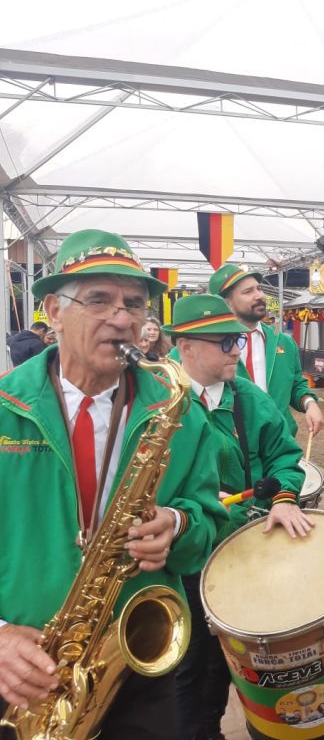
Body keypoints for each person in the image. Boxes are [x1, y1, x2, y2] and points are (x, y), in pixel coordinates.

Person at [0, 229, 226, 740]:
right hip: (20, 675)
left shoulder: (179, 410)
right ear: (54, 312)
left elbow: (211, 518)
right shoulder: (4, 409)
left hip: (136, 666)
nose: (123, 319)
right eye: (99, 300)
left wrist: (179, 523)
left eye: (135, 304)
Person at [165, 294, 312, 740]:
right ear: (185, 345)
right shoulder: (152, 400)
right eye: (226, 342)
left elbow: (287, 459)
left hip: (241, 553)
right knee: (183, 670)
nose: (237, 351)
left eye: (239, 341)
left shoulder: (249, 398)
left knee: (233, 663)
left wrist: (285, 498)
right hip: (181, 561)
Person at [207, 264, 323, 438]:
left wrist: (310, 403)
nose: (259, 296)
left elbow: (296, 385)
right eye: (248, 292)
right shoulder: (207, 345)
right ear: (226, 303)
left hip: (278, 442)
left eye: (259, 289)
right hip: (232, 445)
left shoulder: (283, 341)